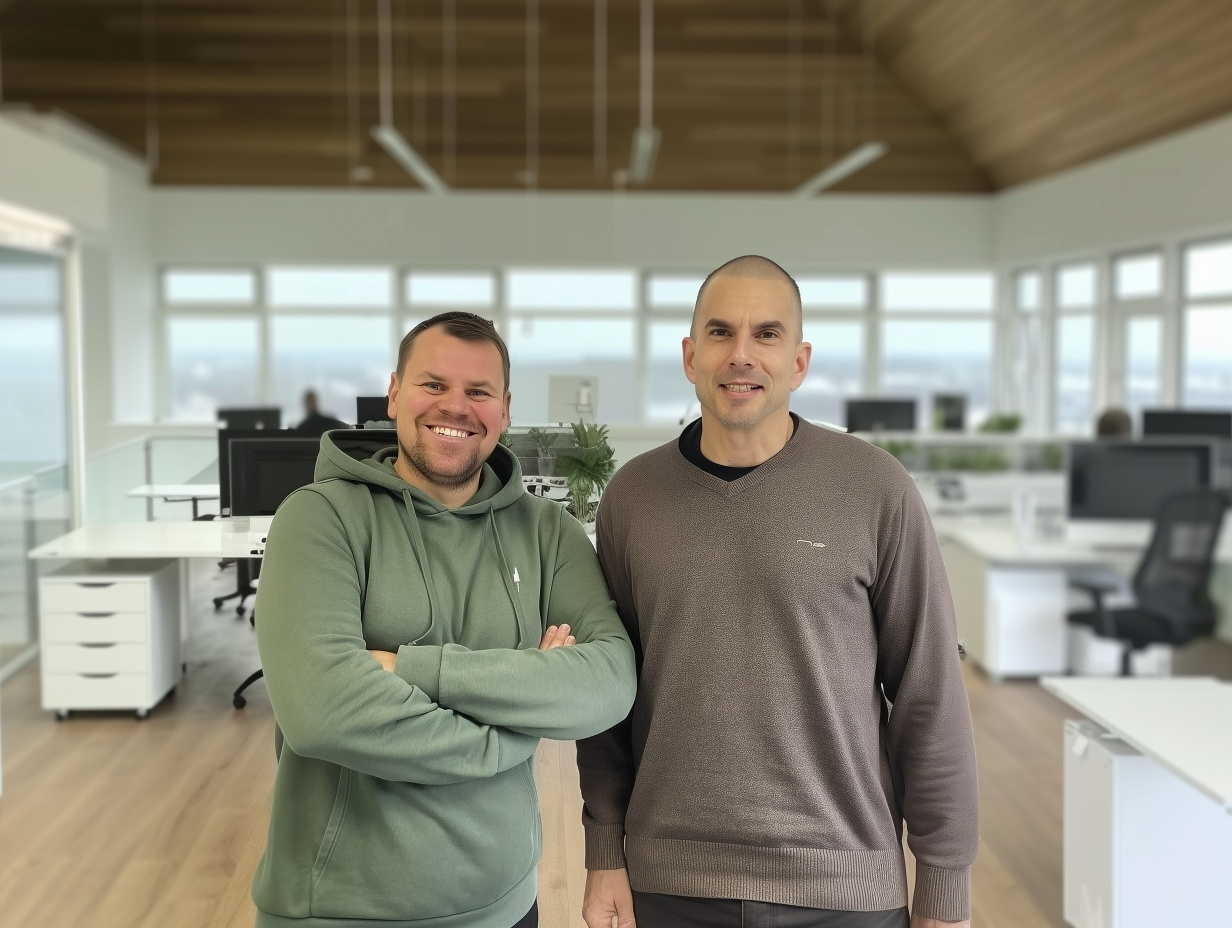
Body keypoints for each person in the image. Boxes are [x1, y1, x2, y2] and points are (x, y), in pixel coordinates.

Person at [577, 256, 979, 928]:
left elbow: (928, 692)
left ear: (799, 361)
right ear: (689, 355)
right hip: (670, 881)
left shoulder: (876, 490)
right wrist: (602, 852)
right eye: (720, 333)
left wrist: (943, 887)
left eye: (766, 335)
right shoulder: (632, 499)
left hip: (843, 887)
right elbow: (607, 694)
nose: (741, 355)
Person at [251, 311, 638, 928]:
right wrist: (517, 724)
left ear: (505, 410)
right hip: (340, 911)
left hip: (507, 905)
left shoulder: (548, 534)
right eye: (433, 385)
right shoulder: (319, 518)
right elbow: (322, 713)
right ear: (396, 393)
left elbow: (610, 684)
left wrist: (406, 667)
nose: (455, 407)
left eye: (478, 392)